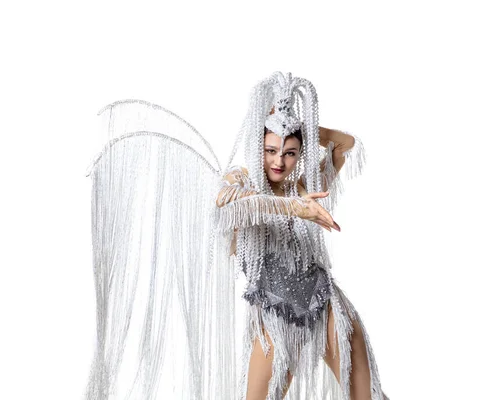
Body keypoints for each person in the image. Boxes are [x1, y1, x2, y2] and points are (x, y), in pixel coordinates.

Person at [84, 71, 389, 399]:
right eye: (271, 150)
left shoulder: (303, 187)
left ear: (299, 154)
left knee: (365, 395)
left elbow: (346, 144)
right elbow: (225, 204)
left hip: (324, 304)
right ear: (258, 146)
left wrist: (300, 126)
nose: (279, 161)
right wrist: (295, 209)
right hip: (274, 316)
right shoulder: (241, 184)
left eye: (289, 152)